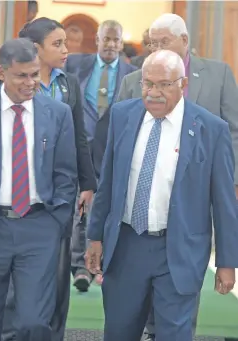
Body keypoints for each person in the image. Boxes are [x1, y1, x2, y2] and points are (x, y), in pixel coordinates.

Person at [85, 50, 238, 341]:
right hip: (127, 247)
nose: (153, 93)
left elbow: (224, 203)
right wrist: (95, 237)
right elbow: (109, 183)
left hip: (179, 250)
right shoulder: (122, 116)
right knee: (118, 332)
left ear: (182, 84)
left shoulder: (210, 130)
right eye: (147, 83)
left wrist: (227, 262)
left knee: (174, 335)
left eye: (164, 85)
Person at [0, 38, 77, 341]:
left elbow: (66, 175)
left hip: (38, 227)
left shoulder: (57, 113)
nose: (30, 83)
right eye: (22, 75)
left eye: (35, 74)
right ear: (2, 72)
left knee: (34, 321)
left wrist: (55, 222)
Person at [0, 18, 97, 341]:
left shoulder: (67, 83)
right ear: (35, 49)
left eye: (65, 43)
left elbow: (80, 137)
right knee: (19, 279)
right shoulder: (11, 87)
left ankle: (54, 333)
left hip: (61, 195)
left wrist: (88, 184)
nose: (66, 50)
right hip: (22, 196)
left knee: (56, 274)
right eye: (58, 44)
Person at [64, 19, 137, 292]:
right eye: (107, 39)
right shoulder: (75, 65)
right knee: (77, 207)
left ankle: (98, 265)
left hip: (111, 151)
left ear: (121, 43)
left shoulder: (134, 74)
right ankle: (79, 266)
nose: (111, 45)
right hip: (77, 147)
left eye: (116, 40)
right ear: (97, 39)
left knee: (103, 207)